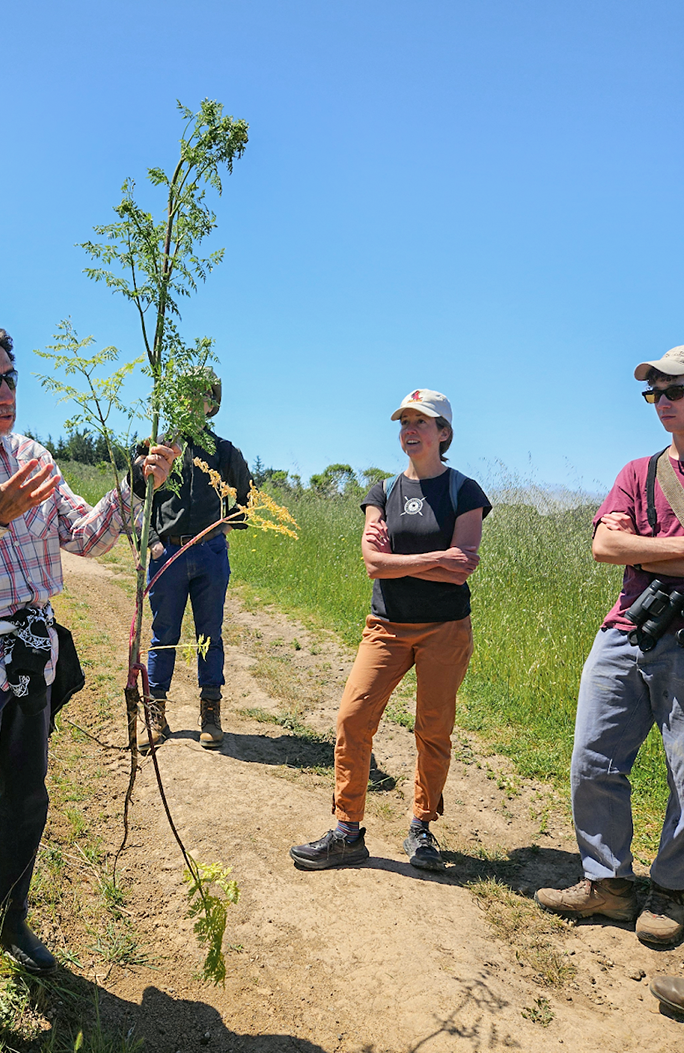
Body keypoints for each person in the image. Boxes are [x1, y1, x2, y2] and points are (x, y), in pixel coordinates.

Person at [0, 321, 177, 1033]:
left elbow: (88, 536)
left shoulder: (34, 458)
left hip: (30, 655)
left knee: (26, 801)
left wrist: (135, 487)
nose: (5, 391)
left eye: (11, 377)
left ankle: (4, 917)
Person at [290, 389, 491, 873]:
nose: (411, 429)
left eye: (422, 422)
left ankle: (422, 827)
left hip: (445, 630)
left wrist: (407, 563)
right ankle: (347, 832)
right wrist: (436, 558)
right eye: (405, 421)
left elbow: (462, 569)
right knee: (353, 719)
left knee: (433, 729)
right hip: (386, 627)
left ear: (444, 433)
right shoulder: (381, 492)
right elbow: (373, 563)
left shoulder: (466, 492)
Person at [536, 347, 684, 947]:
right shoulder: (638, 472)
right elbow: (604, 547)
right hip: (625, 631)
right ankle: (610, 885)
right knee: (592, 761)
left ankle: (672, 891)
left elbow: (627, 546)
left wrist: (644, 545)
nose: (663, 401)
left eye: (674, 389)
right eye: (655, 393)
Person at [143, 372, 251, 750]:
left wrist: (222, 529)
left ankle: (210, 712)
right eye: (185, 395)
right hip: (167, 554)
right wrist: (154, 543)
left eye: (201, 396)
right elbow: (137, 502)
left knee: (210, 634)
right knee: (163, 635)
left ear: (212, 404)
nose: (193, 402)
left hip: (209, 554)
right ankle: (155, 714)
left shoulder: (225, 453)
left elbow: (248, 502)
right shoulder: (158, 448)